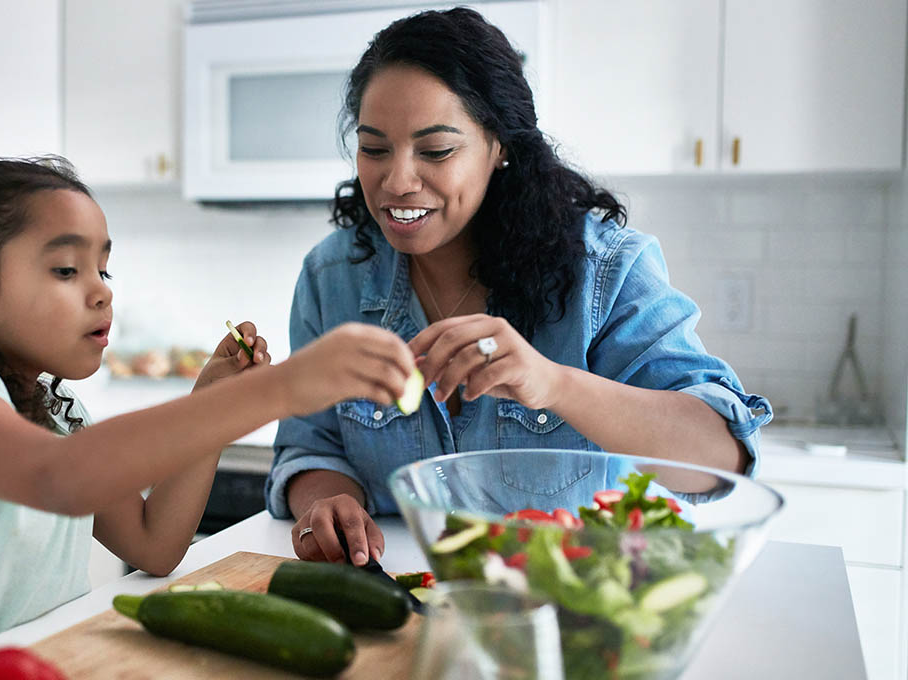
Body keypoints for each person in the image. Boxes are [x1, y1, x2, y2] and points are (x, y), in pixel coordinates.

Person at [0, 149, 417, 679]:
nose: (101, 291)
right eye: (66, 270)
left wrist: (210, 403)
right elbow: (56, 477)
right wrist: (281, 389)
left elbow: (153, 545)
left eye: (103, 269)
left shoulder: (58, 413)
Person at [265, 7, 773, 568]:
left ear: (500, 146)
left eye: (436, 151)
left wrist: (554, 384)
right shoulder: (330, 278)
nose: (397, 182)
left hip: (567, 609)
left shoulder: (605, 271)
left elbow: (719, 458)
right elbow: (310, 445)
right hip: (394, 601)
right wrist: (329, 498)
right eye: (374, 148)